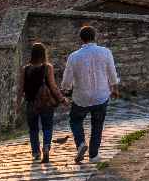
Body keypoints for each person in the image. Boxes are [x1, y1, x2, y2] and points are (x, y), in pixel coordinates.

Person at [60, 25, 120, 164]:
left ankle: (81, 143)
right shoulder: (105, 52)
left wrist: (64, 90)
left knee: (75, 120)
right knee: (97, 125)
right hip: (101, 95)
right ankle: (94, 156)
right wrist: (115, 88)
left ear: (81, 39)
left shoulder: (74, 57)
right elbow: (112, 72)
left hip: (81, 97)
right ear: (95, 37)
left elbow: (67, 78)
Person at [17, 42, 66, 163]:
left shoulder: (25, 69)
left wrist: (17, 104)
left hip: (31, 103)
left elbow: (21, 88)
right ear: (43, 54)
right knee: (47, 127)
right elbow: (53, 87)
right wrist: (62, 99)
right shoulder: (47, 67)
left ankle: (35, 152)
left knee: (33, 129)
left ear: (32, 54)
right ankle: (46, 148)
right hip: (46, 103)